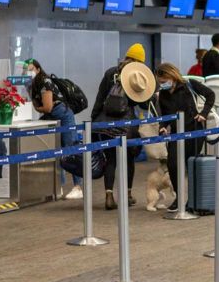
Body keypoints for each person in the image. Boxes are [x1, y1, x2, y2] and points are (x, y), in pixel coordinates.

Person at [91, 44, 153, 210]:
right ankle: (127, 195)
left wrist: (93, 121)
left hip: (105, 124)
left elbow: (100, 98)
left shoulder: (111, 72)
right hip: (127, 125)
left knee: (110, 159)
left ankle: (109, 196)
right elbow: (145, 104)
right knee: (129, 159)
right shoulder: (136, 76)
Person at [154, 63, 216, 211]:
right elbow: (165, 115)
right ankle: (178, 197)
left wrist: (204, 114)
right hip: (176, 133)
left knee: (191, 165)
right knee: (173, 164)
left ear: (171, 76)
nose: (162, 85)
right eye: (160, 82)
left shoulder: (189, 85)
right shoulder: (163, 94)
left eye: (163, 81)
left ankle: (193, 199)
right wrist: (162, 126)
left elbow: (210, 95)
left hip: (194, 131)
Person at [27, 59, 82, 201]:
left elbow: (47, 107)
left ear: (38, 69)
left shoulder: (45, 82)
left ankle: (78, 187)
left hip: (63, 115)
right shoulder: (31, 85)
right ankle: (58, 186)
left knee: (70, 149)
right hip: (51, 117)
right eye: (25, 70)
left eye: (31, 69)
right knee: (55, 150)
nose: (28, 72)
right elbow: (40, 107)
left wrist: (39, 108)